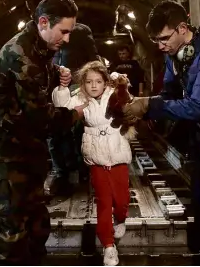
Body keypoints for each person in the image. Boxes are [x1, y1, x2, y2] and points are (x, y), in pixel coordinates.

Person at [117, 1, 200, 265]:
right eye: (156, 40)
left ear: (182, 28)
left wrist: (149, 106)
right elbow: (169, 95)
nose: (160, 46)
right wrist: (141, 102)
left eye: (164, 38)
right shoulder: (174, 54)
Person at [0, 0, 84, 265]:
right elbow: (41, 118)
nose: (67, 39)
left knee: (37, 221)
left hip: (25, 143)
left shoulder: (37, 47)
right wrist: (76, 114)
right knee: (13, 227)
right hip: (3, 147)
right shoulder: (21, 54)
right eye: (64, 31)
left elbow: (34, 81)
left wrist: (55, 71)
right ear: (44, 23)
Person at [52, 61, 136, 266]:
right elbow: (62, 107)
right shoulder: (81, 97)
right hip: (96, 157)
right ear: (83, 83)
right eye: (88, 81)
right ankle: (108, 246)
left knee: (122, 200)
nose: (93, 85)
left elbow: (127, 100)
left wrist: (122, 83)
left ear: (105, 82)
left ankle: (121, 219)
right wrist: (63, 88)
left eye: (98, 81)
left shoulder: (112, 94)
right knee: (104, 202)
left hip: (117, 155)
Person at [46, 22, 100, 193]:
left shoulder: (80, 31)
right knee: (59, 128)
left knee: (77, 128)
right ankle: (65, 170)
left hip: (75, 82)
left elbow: (93, 57)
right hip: (58, 83)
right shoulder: (55, 30)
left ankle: (78, 169)